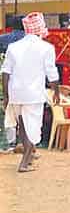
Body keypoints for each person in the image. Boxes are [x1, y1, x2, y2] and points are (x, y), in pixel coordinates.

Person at [1, 13, 59, 172]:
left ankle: (29, 156)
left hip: (16, 94)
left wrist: (6, 96)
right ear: (40, 29)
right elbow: (52, 73)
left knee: (23, 126)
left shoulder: (13, 47)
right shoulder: (47, 48)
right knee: (33, 128)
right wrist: (57, 92)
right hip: (33, 95)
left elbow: (5, 73)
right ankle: (24, 162)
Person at [1, 14, 26, 149]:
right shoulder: (29, 40)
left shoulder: (4, 39)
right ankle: (26, 143)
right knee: (26, 115)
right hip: (28, 82)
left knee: (10, 114)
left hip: (10, 81)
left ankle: (11, 142)